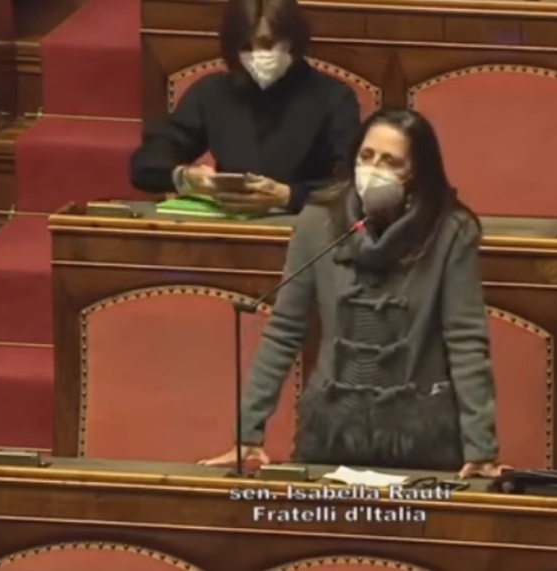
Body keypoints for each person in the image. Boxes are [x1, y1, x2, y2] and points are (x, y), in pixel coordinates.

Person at [200, 109, 502, 478]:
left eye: (391, 161)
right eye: (367, 156)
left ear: (416, 172)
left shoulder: (451, 230)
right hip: (331, 431)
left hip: (422, 438)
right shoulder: (319, 220)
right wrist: (247, 432)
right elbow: (284, 331)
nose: (374, 169)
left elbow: (466, 340)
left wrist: (481, 448)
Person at [129, 0, 360, 216]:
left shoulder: (334, 97)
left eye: (268, 43)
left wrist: (290, 196)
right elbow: (146, 164)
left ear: (293, 39)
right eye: (246, 46)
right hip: (229, 226)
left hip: (302, 221)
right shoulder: (212, 92)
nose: (258, 55)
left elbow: (353, 182)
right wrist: (186, 178)